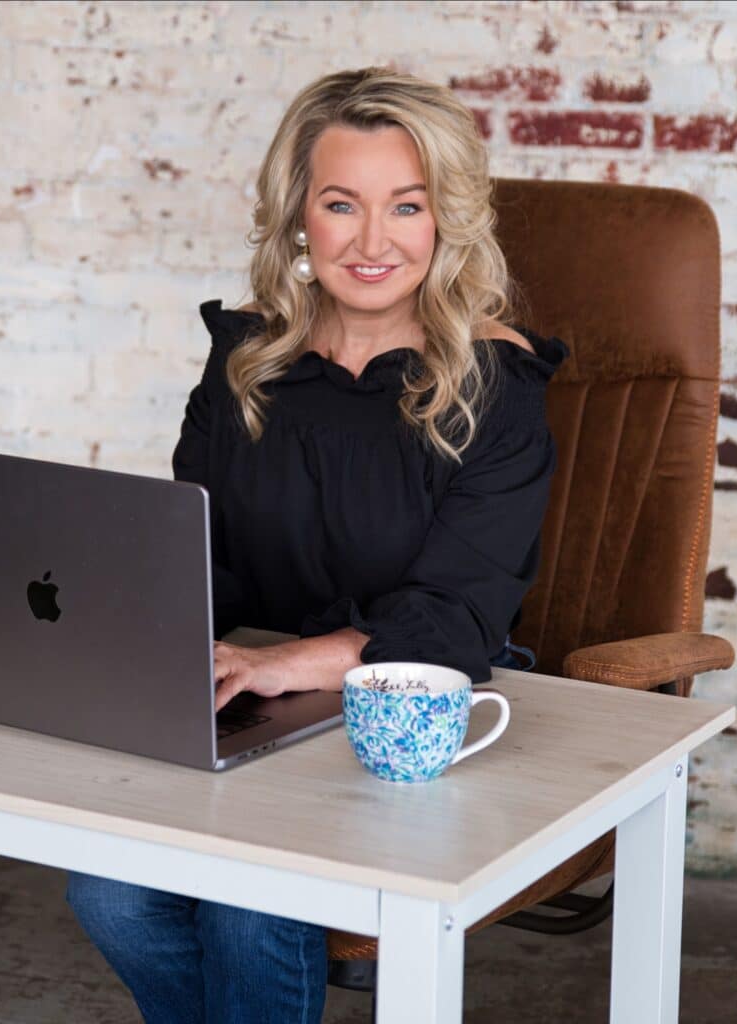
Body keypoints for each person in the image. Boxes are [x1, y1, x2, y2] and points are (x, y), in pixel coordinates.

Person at [65, 65, 568, 1024]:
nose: (373, 242)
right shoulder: (246, 362)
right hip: (252, 701)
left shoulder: (497, 388)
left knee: (252, 912)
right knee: (108, 891)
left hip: (404, 706)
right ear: (301, 215)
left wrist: (286, 664)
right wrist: (132, 629)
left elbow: (457, 614)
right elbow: (195, 546)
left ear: (445, 220)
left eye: (406, 207)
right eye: (342, 204)